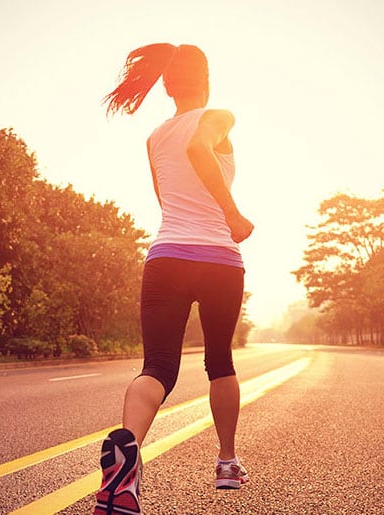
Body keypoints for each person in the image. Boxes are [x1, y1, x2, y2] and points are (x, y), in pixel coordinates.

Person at [94, 43, 254, 514]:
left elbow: (165, 199)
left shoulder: (154, 136)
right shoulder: (217, 116)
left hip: (166, 256)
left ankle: (127, 463)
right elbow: (198, 148)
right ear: (206, 81)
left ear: (167, 86)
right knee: (220, 361)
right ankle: (227, 463)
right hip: (219, 257)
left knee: (157, 368)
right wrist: (232, 214)